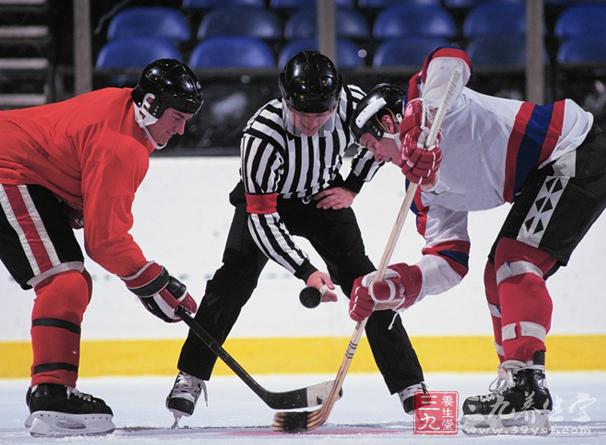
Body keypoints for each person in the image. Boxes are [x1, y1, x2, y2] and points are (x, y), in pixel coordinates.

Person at [348, 46, 604, 434]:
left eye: (372, 146)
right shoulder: (420, 189)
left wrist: (420, 125)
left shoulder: (429, 100)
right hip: (548, 171)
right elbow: (448, 261)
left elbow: (451, 58)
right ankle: (516, 381)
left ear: (387, 121)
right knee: (496, 272)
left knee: (515, 260)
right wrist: (392, 286)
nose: (378, 158)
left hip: (571, 146)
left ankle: (526, 384)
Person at [165, 51, 427, 423]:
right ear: (285, 101)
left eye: (321, 116)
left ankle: (410, 386)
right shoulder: (261, 136)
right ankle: (190, 376)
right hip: (270, 203)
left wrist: (352, 186)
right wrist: (305, 270)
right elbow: (262, 220)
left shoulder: (353, 104)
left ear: (336, 103)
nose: (311, 124)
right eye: (304, 115)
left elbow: (379, 142)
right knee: (232, 281)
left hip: (323, 196)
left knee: (368, 282)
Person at [0, 58, 202, 436]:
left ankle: (52, 389)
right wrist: (155, 283)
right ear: (152, 105)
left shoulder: (124, 105)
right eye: (177, 117)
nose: (181, 129)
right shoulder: (123, 146)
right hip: (6, 167)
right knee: (65, 282)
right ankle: (51, 395)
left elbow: (66, 154)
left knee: (68, 279)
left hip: (18, 166)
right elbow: (104, 240)